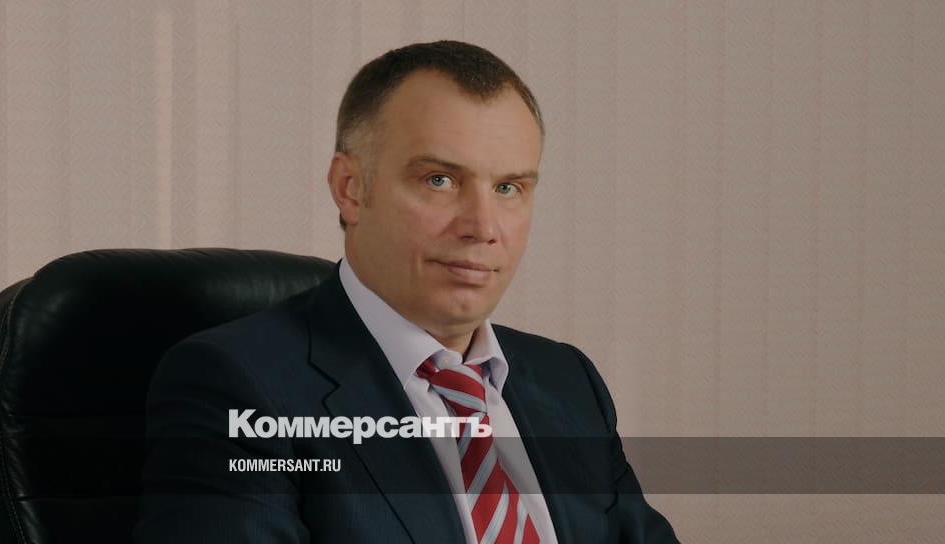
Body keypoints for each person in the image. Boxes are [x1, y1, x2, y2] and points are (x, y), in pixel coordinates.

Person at [134, 40, 679, 544]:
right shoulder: (239, 387)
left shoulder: (569, 383)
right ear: (351, 189)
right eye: (440, 180)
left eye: (509, 187)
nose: (483, 226)